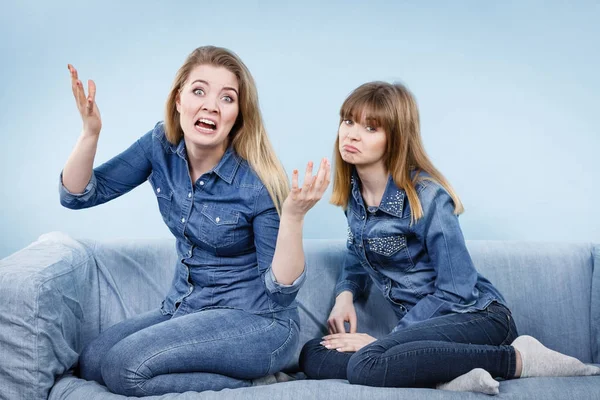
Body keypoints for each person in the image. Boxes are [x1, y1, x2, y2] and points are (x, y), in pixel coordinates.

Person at [60, 45, 330, 396]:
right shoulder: (159, 145)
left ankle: (255, 382)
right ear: (178, 100)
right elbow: (78, 196)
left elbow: (279, 295)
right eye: (199, 91)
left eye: (227, 98)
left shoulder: (255, 183)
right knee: (94, 360)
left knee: (122, 367)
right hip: (187, 308)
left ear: (238, 115)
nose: (211, 105)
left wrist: (293, 217)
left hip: (258, 323)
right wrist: (90, 132)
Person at [299, 81, 599, 395]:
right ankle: (446, 373)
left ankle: (519, 359)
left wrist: (389, 343)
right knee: (313, 355)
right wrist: (344, 297)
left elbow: (458, 290)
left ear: (396, 138)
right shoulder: (355, 197)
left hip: (478, 318)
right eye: (348, 121)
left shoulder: (427, 197)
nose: (352, 134)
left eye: (371, 128)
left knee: (366, 365)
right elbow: (357, 248)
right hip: (423, 333)